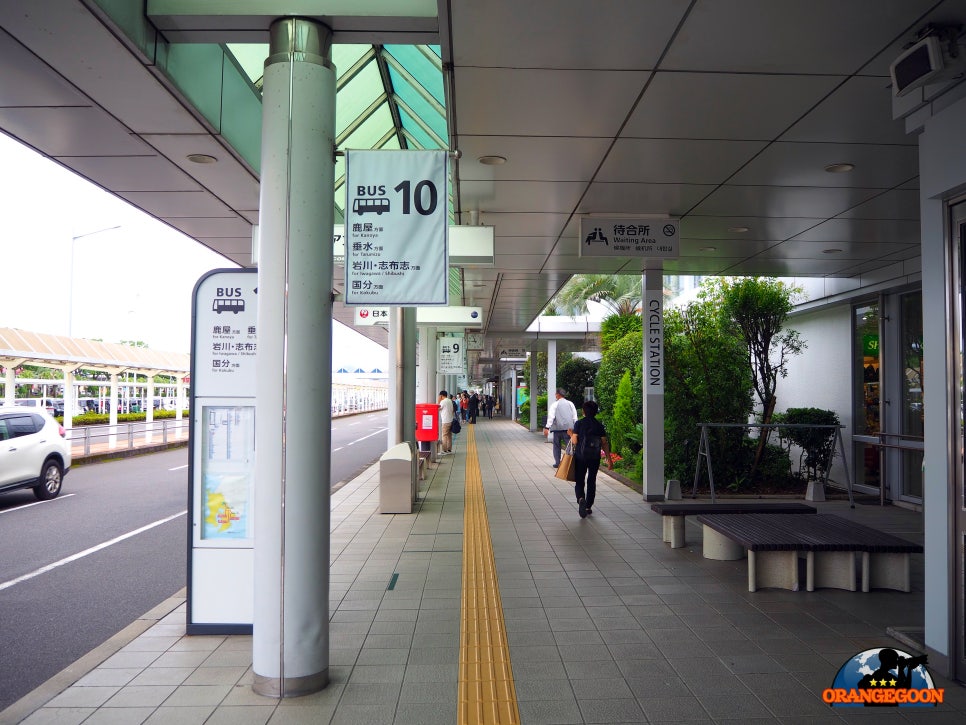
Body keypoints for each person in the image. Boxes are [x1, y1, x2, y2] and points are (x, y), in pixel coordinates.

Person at [569, 400, 612, 518]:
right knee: (591, 481)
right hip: (594, 457)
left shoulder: (579, 424)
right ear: (595, 412)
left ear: (584, 411)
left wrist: (571, 434)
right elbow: (604, 443)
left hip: (580, 456)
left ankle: (581, 498)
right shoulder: (599, 425)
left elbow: (575, 441)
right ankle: (588, 506)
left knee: (580, 480)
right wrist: (609, 459)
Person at [543, 387, 578, 468]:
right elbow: (575, 417)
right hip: (568, 430)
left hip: (557, 429)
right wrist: (575, 428)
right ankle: (569, 462)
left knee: (556, 446)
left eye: (556, 394)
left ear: (558, 395)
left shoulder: (555, 404)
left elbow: (551, 417)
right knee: (569, 445)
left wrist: (547, 428)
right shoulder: (570, 404)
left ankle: (557, 463)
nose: (555, 395)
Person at [438, 390, 454, 454]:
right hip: (450, 420)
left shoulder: (443, 402)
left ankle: (444, 450)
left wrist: (439, 401)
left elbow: (438, 408)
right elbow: (452, 410)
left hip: (445, 421)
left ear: (441, 396)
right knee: (449, 436)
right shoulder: (450, 400)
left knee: (444, 435)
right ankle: (449, 449)